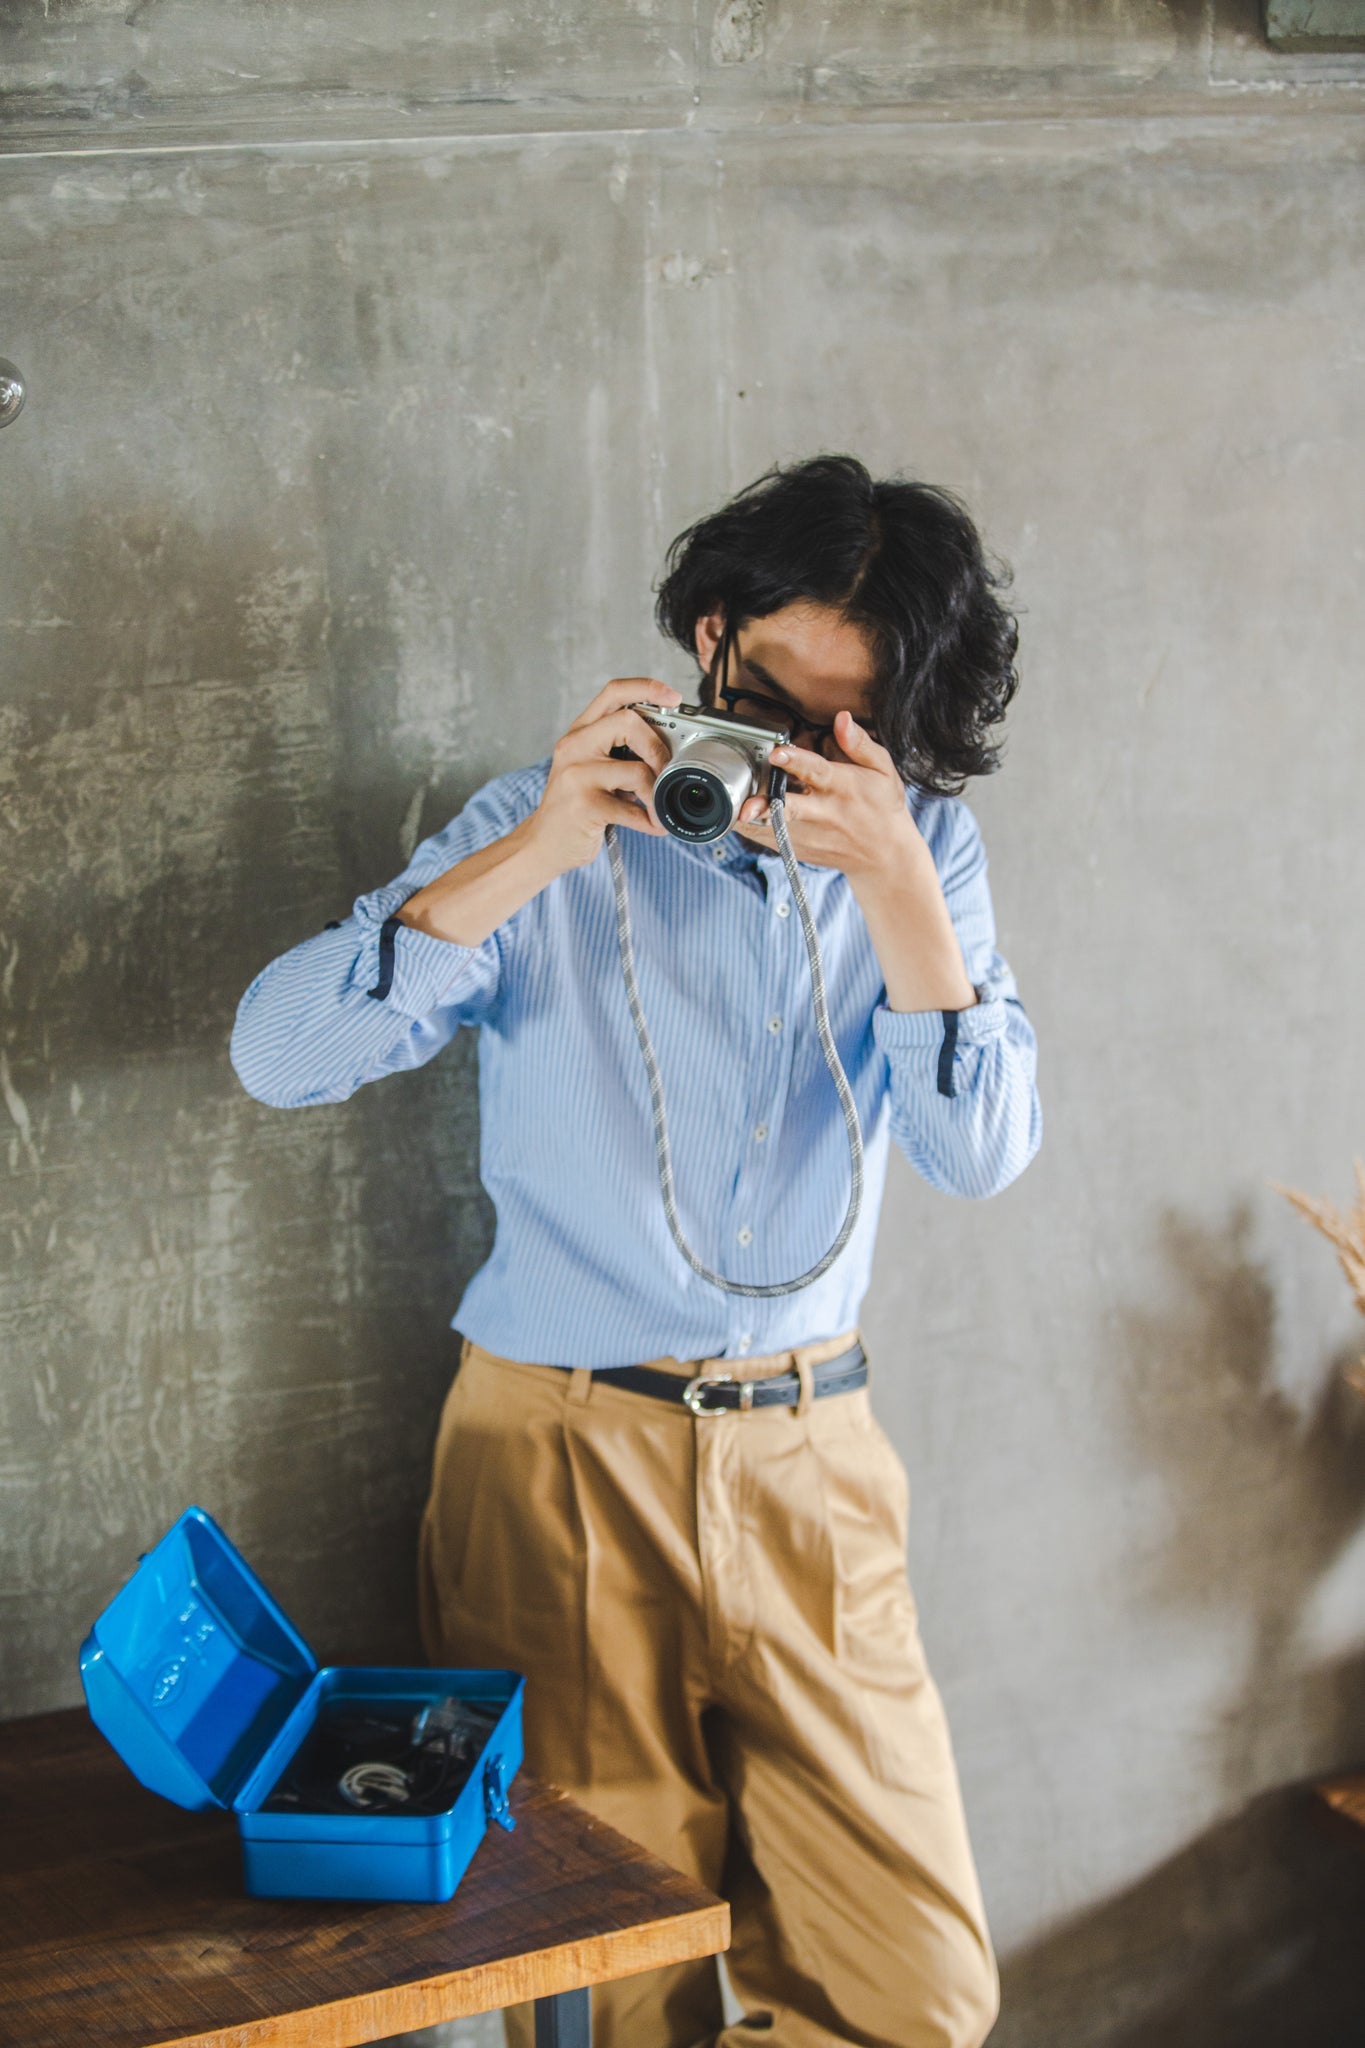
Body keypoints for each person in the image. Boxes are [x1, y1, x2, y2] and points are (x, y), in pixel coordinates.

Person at [230, 454, 1041, 2048]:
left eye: (836, 729)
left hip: (813, 1456)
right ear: (708, 635)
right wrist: (540, 844)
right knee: (604, 1984)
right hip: (556, 1447)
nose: (785, 756)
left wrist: (893, 888)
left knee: (918, 1994)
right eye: (763, 699)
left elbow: (981, 1152)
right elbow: (277, 1054)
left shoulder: (920, 853)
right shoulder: (537, 825)